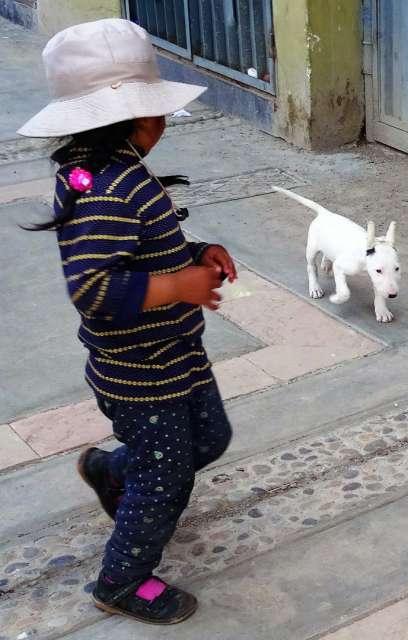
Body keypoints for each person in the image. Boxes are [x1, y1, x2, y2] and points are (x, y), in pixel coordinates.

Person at [19, 18, 235, 625]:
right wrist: (179, 286)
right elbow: (92, 287)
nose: (162, 121)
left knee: (209, 439)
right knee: (166, 482)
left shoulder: (120, 168)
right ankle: (121, 580)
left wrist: (197, 254)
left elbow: (145, 244)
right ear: (135, 119)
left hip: (175, 352)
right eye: (157, 110)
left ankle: (111, 472)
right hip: (139, 373)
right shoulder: (108, 189)